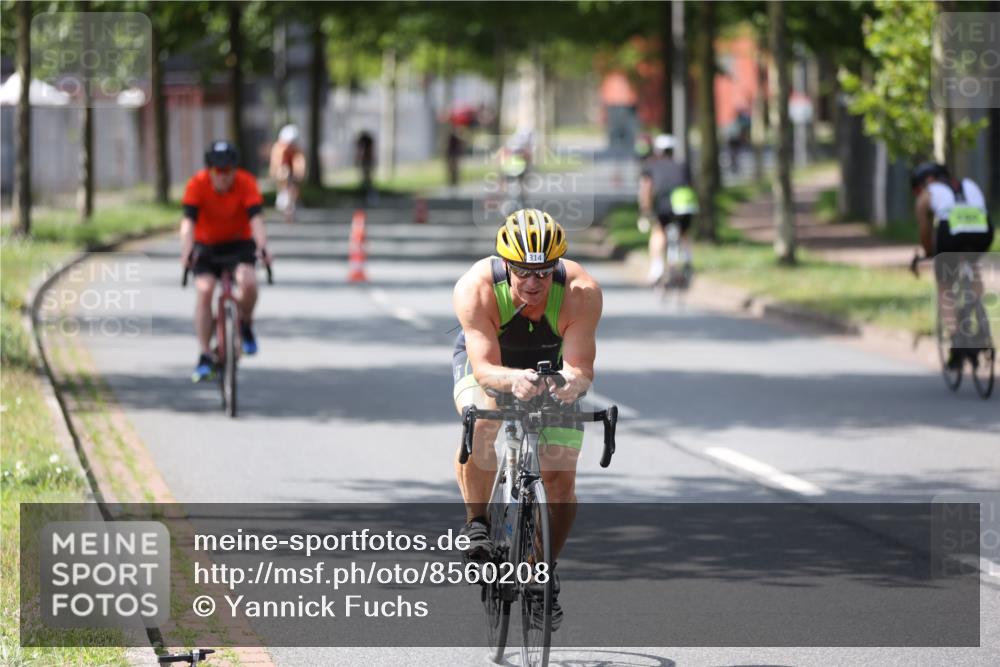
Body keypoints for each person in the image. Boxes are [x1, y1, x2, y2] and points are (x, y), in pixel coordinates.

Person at [451, 209, 603, 630]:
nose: (534, 283)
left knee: (561, 479)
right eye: (522, 272)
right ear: (506, 264)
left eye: (543, 272)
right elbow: (483, 367)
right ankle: (477, 523)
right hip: (491, 364)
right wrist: (511, 380)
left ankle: (541, 574)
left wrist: (571, 384)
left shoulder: (580, 291)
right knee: (484, 420)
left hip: (548, 366)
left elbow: (579, 366)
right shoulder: (476, 288)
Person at [180, 140, 269, 382]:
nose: (222, 176)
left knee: (248, 282)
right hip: (206, 246)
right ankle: (205, 354)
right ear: (210, 170)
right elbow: (188, 222)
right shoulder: (197, 184)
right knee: (205, 289)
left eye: (227, 170)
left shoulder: (246, 182)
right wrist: (186, 250)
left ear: (234, 169)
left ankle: (245, 324)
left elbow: (256, 219)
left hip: (238, 244)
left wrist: (262, 247)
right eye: (217, 171)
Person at [911, 161, 994, 365]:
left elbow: (925, 231)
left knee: (944, 285)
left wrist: (929, 251)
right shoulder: (969, 183)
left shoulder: (927, 193)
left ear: (927, 180)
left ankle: (957, 338)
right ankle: (980, 319)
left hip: (951, 232)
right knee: (972, 267)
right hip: (983, 231)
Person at [638, 134, 693, 284]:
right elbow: (689, 185)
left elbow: (646, 189)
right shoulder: (682, 164)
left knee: (659, 231)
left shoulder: (651, 165)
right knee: (684, 232)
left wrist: (645, 210)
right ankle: (687, 261)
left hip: (664, 203)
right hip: (685, 203)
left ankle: (657, 267)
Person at [268, 124, 306, 224]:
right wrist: (280, 174)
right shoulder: (278, 148)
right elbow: (275, 165)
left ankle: (292, 201)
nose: (289, 146)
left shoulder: (297, 149)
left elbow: (300, 163)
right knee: (283, 172)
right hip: (282, 170)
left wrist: (299, 173)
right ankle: (282, 194)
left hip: (292, 170)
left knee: (294, 182)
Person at [355, 130, 375, 205]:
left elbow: (361, 152)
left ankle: (368, 195)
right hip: (367, 161)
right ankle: (365, 195)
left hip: (367, 161)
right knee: (366, 179)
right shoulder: (368, 144)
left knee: (367, 179)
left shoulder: (366, 145)